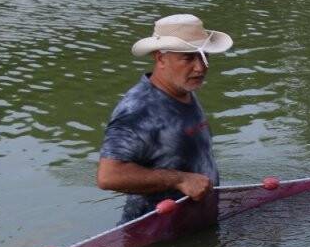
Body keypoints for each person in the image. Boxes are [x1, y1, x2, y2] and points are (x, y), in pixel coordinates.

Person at [97, 14, 232, 224]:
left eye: (204, 56)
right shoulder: (138, 110)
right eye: (188, 58)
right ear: (160, 59)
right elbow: (108, 177)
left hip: (193, 227)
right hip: (154, 237)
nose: (200, 67)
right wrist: (181, 179)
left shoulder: (183, 89)